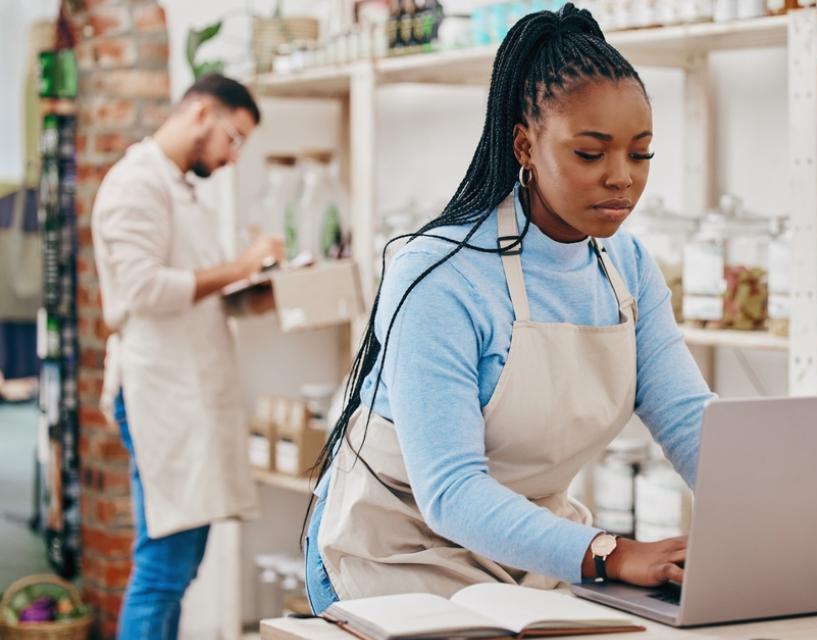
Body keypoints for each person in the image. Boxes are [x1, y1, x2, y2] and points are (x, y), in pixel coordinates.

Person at [304, 4, 714, 612]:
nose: (621, 177)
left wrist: (779, 519)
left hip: (528, 550)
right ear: (526, 143)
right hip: (397, 552)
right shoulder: (439, 275)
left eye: (640, 153)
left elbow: (690, 422)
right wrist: (613, 553)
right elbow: (450, 491)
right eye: (590, 153)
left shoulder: (626, 268)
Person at [91, 74, 283, 638]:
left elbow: (197, 293)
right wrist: (243, 264)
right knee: (162, 568)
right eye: (236, 138)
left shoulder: (178, 188)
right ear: (202, 114)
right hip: (159, 394)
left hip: (188, 393)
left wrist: (257, 295)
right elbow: (144, 291)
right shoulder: (134, 185)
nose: (232, 157)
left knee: (178, 566)